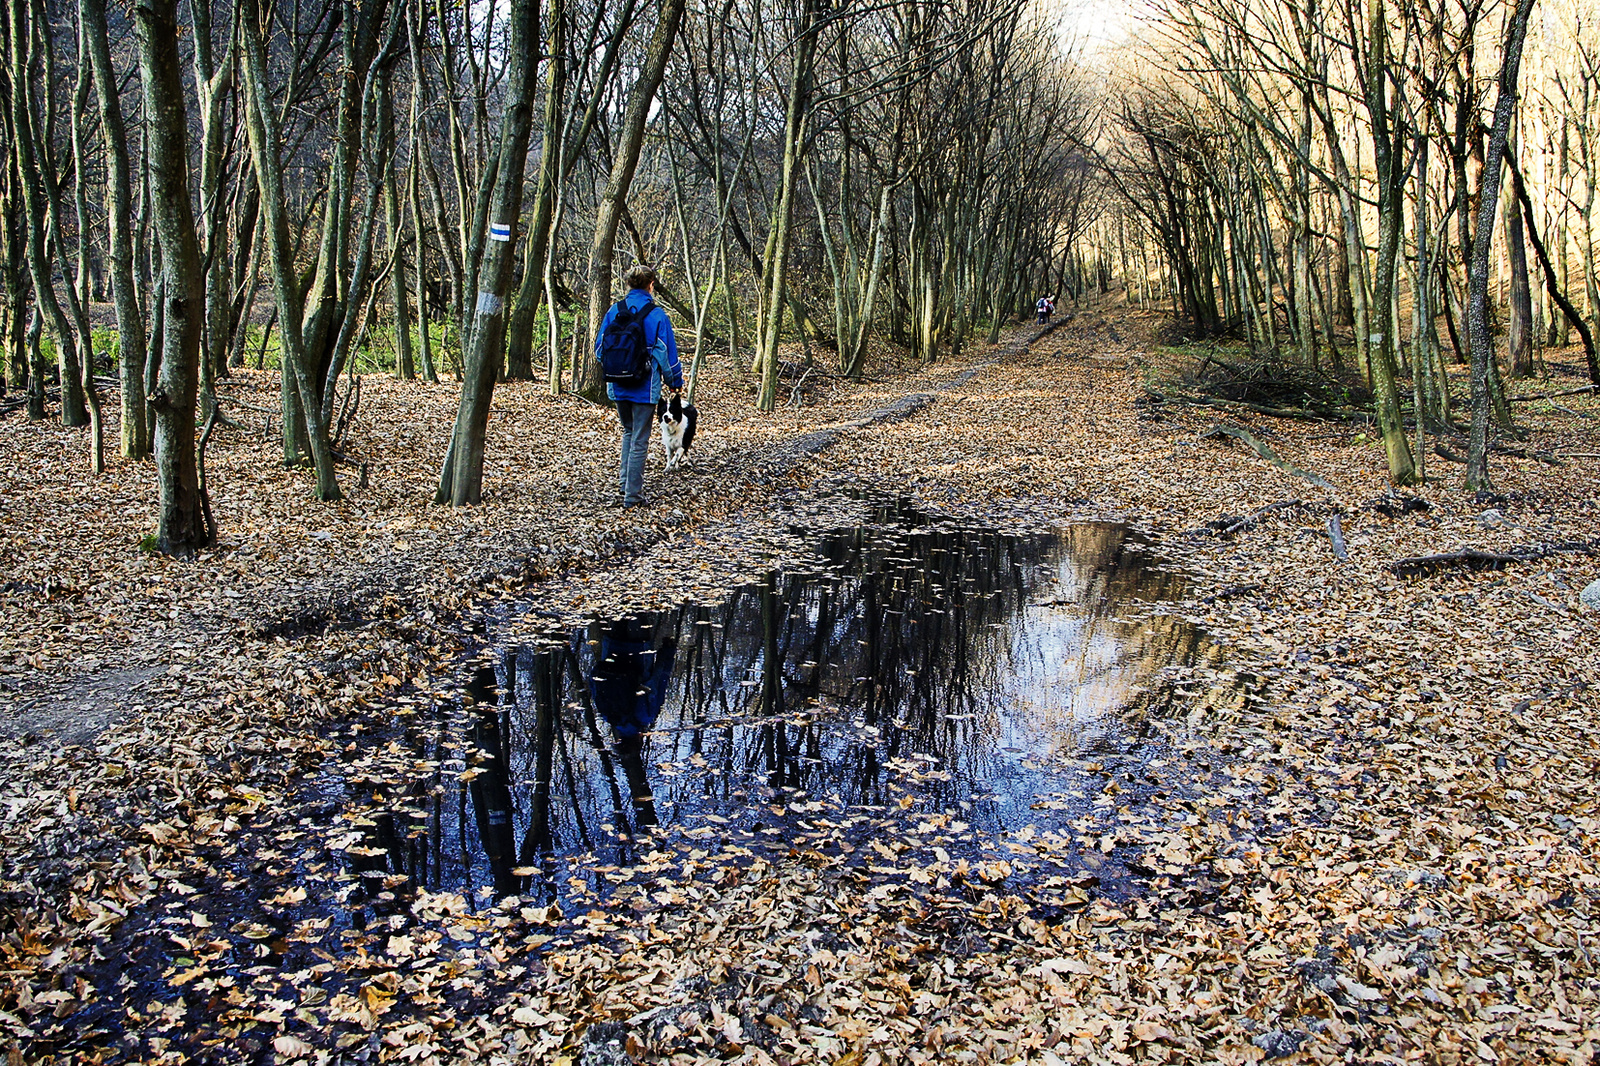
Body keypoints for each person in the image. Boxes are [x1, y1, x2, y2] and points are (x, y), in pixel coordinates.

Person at [595, 264, 683, 509]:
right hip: (645, 387)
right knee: (640, 439)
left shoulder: (614, 310)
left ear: (628, 284)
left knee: (628, 432)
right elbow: (667, 356)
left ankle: (625, 485)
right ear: (651, 285)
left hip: (617, 386)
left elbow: (599, 350)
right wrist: (675, 382)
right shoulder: (657, 315)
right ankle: (632, 496)